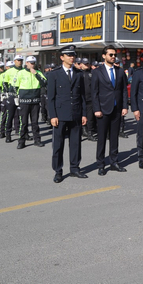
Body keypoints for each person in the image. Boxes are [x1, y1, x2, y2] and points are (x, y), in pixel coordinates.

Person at [47, 45, 88, 183]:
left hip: (75, 113)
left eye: (73, 55)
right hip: (60, 114)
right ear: (62, 57)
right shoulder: (54, 74)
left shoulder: (78, 73)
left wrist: (83, 114)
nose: (72, 57)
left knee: (76, 143)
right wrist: (53, 115)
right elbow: (51, 97)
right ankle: (58, 171)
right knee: (58, 144)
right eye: (69, 55)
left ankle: (75, 168)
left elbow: (82, 96)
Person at [91, 45, 129, 175]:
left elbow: (123, 90)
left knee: (114, 137)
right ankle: (101, 164)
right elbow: (94, 92)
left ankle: (114, 162)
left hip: (116, 109)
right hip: (103, 109)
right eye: (110, 55)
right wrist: (96, 109)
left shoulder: (120, 71)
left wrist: (124, 106)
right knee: (102, 138)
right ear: (104, 56)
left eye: (114, 55)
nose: (113, 57)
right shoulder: (97, 72)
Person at [16, 56, 47, 149]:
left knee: (35, 123)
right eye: (30, 63)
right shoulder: (20, 73)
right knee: (24, 123)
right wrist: (17, 97)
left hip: (35, 102)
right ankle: (21, 141)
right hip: (24, 101)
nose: (32, 64)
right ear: (26, 63)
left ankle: (37, 140)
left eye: (33, 63)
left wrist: (36, 74)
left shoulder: (38, 73)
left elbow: (44, 83)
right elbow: (15, 86)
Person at [1, 55, 25, 143]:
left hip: (22, 96)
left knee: (22, 116)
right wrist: (7, 92)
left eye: (21, 60)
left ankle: (23, 133)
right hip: (12, 96)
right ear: (14, 61)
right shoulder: (9, 71)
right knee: (9, 115)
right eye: (18, 60)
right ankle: (8, 134)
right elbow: (4, 83)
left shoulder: (24, 71)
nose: (20, 62)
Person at [80, 58, 96, 140]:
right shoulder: (78, 73)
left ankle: (90, 133)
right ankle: (82, 131)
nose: (86, 65)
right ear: (81, 64)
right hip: (80, 98)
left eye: (87, 64)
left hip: (90, 98)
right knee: (80, 116)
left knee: (90, 117)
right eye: (84, 64)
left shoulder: (92, 73)